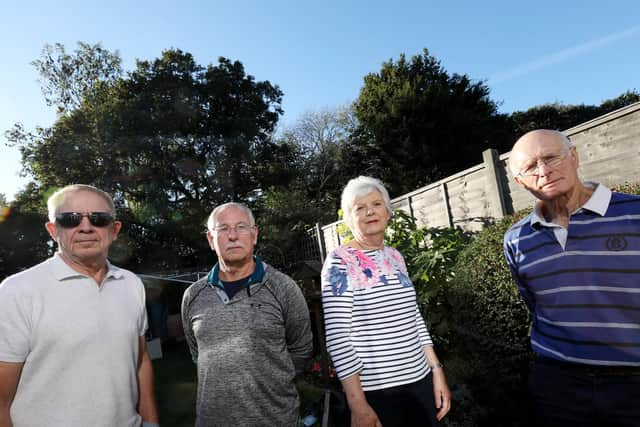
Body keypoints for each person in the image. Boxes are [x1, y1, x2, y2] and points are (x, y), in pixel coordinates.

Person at [504, 129, 640, 426]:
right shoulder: (517, 239)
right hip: (557, 386)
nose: (544, 171)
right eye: (530, 167)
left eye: (551, 157)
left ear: (574, 156)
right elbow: (536, 304)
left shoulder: (635, 214)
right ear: (519, 182)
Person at [0, 184, 159, 427]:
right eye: (70, 219)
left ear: (114, 229)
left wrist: (150, 422)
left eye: (99, 218)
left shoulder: (131, 283)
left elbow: (141, 360)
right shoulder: (17, 291)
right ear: (53, 229)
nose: (86, 227)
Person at [322, 176, 451, 427]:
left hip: (421, 382)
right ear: (349, 218)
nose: (370, 211)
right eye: (359, 207)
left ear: (388, 211)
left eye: (376, 204)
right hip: (378, 392)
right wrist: (358, 405)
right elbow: (338, 337)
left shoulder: (394, 256)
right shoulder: (340, 260)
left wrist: (436, 371)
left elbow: (414, 316)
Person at [181, 202, 313, 427]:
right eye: (223, 229)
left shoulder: (283, 288)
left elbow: (301, 349)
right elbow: (197, 354)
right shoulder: (193, 295)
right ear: (211, 240)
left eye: (241, 227)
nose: (233, 236)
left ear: (254, 235)